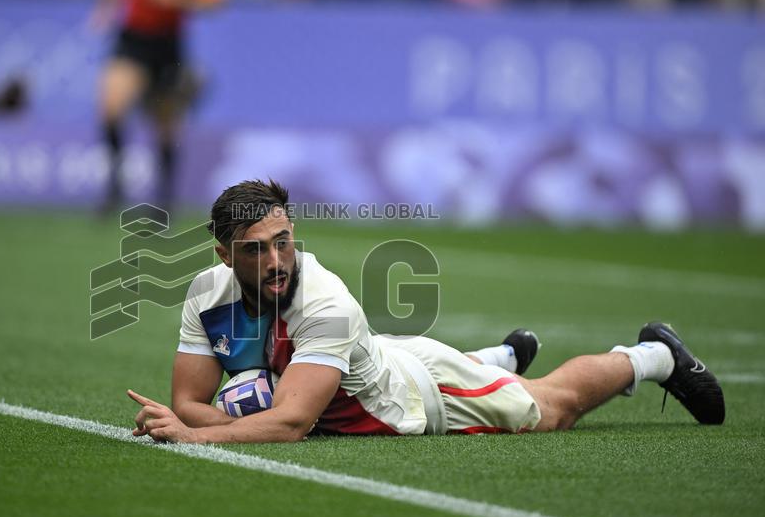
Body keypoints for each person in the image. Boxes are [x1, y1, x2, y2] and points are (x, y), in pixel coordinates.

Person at [127, 179, 725, 443]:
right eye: (257, 251)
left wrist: (198, 437)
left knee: (552, 409)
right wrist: (196, 421)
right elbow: (186, 402)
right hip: (377, 358)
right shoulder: (208, 292)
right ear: (223, 255)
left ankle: (652, 356)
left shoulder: (323, 304)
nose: (277, 260)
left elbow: (289, 425)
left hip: (414, 396)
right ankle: (499, 357)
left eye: (284, 241)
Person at [92, 0, 226, 213]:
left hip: (168, 44)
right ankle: (115, 185)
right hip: (133, 39)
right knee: (111, 107)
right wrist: (106, 7)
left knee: (165, 125)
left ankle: (165, 198)